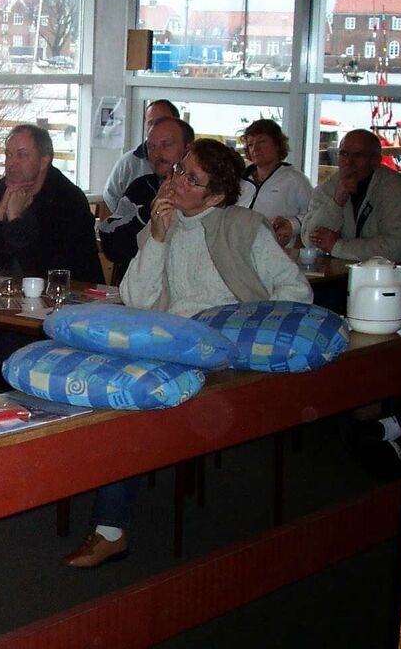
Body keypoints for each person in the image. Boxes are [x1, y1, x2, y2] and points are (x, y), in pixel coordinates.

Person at [65, 140, 310, 570]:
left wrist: (235, 328)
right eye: (180, 169)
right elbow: (135, 297)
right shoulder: (166, 222)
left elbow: (296, 292)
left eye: (190, 179)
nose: (175, 181)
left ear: (214, 197)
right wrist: (157, 238)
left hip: (221, 356)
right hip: (167, 344)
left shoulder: (243, 227)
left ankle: (110, 529)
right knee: (99, 379)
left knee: (130, 401)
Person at [0, 124, 103, 284]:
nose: (11, 163)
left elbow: (40, 267)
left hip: (71, 291)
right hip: (10, 290)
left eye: (22, 155)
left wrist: (15, 218)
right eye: (8, 155)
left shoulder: (68, 199)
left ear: (44, 161)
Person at [301, 129, 401, 265]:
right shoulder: (329, 187)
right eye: (343, 154)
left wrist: (337, 246)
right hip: (340, 273)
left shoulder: (396, 189)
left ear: (375, 160)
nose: (348, 162)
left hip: (392, 275)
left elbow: (397, 248)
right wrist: (337, 202)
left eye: (358, 156)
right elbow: (311, 241)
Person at [98, 117, 194, 280]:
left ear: (188, 148)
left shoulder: (203, 195)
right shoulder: (141, 187)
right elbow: (113, 248)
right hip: (138, 284)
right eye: (151, 147)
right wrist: (150, 210)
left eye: (166, 145)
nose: (156, 154)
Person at [237, 119, 313, 248]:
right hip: (239, 250)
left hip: (277, 252)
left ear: (277, 144)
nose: (255, 148)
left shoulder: (295, 180)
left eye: (262, 142)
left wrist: (291, 224)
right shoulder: (240, 180)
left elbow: (313, 215)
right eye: (250, 144)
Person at [101, 99, 180, 211]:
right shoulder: (128, 162)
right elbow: (111, 196)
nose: (155, 127)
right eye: (150, 123)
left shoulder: (187, 162)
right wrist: (129, 218)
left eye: (161, 122)